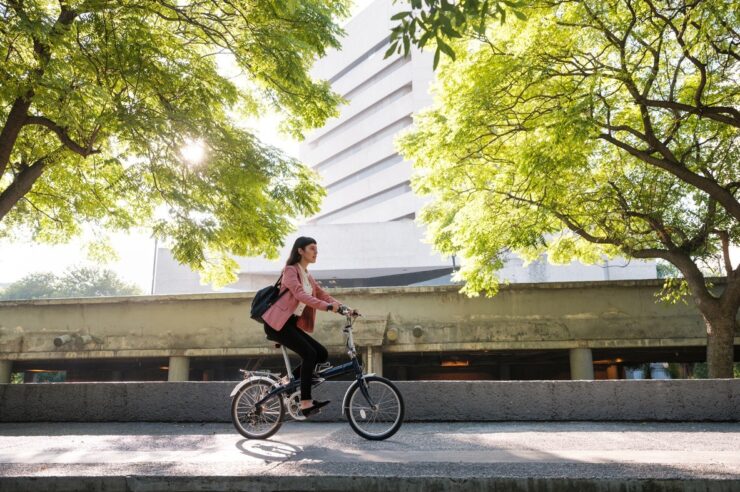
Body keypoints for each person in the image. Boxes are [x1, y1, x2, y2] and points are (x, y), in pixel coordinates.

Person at [261, 236, 359, 417]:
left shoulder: (307, 275)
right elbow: (299, 294)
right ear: (300, 250)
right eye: (312, 248)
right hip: (277, 324)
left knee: (321, 354)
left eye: (316, 249)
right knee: (310, 354)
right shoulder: (290, 271)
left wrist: (344, 308)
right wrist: (328, 308)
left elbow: (322, 294)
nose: (316, 252)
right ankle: (305, 402)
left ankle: (286, 381)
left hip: (289, 325)